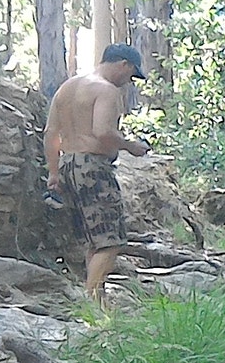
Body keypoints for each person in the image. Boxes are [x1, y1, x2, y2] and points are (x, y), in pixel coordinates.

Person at [44, 43, 150, 305]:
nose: (129, 82)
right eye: (131, 75)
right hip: (93, 168)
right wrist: (130, 146)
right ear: (124, 64)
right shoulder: (106, 90)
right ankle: (92, 304)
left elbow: (50, 133)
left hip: (68, 165)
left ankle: (97, 302)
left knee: (94, 240)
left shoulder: (67, 87)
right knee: (111, 241)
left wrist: (54, 173)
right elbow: (102, 132)